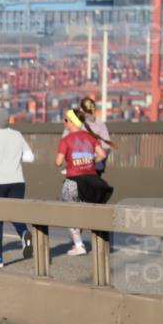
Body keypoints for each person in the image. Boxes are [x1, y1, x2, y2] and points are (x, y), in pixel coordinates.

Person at [0, 107, 34, 268]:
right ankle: (24, 234)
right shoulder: (17, 135)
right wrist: (15, 158)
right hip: (18, 180)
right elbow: (30, 157)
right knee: (15, 212)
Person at [56, 108, 110, 256]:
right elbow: (102, 154)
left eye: (66, 120)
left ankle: (79, 244)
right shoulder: (91, 138)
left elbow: (58, 162)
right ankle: (101, 242)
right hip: (91, 181)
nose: (64, 122)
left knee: (69, 213)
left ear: (72, 122)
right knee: (89, 212)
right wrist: (90, 162)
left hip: (73, 181)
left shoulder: (66, 140)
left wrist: (70, 162)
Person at [78, 97, 113, 174]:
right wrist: (94, 162)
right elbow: (106, 148)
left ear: (81, 109)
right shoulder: (100, 124)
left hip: (77, 167)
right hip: (96, 167)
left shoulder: (74, 124)